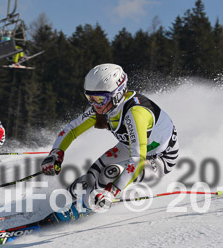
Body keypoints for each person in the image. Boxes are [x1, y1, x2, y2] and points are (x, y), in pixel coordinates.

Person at [41, 63, 179, 210]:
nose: (94, 105)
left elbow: (138, 159)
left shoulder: (135, 113)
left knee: (109, 174)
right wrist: (57, 152)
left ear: (118, 94)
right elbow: (72, 129)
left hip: (161, 158)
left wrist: (113, 191)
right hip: (130, 147)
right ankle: (59, 205)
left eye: (99, 99)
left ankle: (87, 207)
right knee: (90, 176)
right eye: (90, 98)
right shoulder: (105, 107)